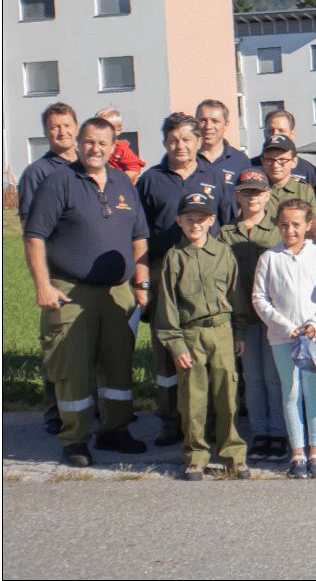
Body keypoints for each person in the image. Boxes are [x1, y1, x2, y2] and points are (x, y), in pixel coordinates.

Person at [23, 117, 149, 467]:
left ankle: (115, 430)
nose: (96, 149)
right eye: (89, 142)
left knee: (117, 366)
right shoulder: (59, 181)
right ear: (79, 144)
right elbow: (34, 236)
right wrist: (42, 285)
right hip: (70, 291)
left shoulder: (123, 181)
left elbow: (139, 236)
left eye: (103, 143)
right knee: (72, 367)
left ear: (113, 147)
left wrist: (141, 283)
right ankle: (75, 439)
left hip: (118, 292)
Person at [136, 112, 234, 446]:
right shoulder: (151, 179)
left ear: (197, 141)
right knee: (168, 349)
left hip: (207, 270)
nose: (180, 145)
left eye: (187, 139)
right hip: (165, 268)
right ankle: (169, 420)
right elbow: (138, 232)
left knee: (207, 349)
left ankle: (207, 422)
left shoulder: (213, 175)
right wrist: (143, 277)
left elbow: (227, 221)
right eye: (174, 140)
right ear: (165, 143)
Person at [155, 191, 250, 480]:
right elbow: (167, 305)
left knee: (227, 395)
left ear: (211, 221)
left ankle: (232, 454)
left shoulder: (223, 253)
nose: (195, 225)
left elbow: (237, 295)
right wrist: (175, 344)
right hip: (190, 334)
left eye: (201, 219)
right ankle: (195, 456)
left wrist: (240, 331)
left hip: (221, 331)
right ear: (178, 221)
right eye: (189, 219)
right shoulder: (174, 258)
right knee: (193, 398)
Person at [252, 199, 316, 479]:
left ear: (308, 225)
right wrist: (285, 325)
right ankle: (297, 452)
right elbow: (260, 298)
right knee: (290, 392)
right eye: (284, 224)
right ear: (277, 224)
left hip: (314, 336)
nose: (290, 230)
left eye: (296, 225)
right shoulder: (270, 258)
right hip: (283, 337)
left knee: (313, 392)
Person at [219, 169, 290, 463]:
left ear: (268, 195)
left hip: (272, 317)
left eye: (257, 192)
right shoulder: (225, 233)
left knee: (275, 377)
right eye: (246, 192)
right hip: (243, 319)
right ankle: (260, 432)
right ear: (237, 195)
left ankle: (279, 432)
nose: (252, 198)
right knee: (253, 377)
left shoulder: (276, 231)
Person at [18, 103, 80, 435]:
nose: (62, 132)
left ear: (77, 126)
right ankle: (54, 410)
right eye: (54, 127)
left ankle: (88, 406)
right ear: (46, 132)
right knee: (57, 346)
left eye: (67, 125)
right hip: (58, 272)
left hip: (89, 272)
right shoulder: (37, 173)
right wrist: (42, 280)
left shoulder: (89, 165)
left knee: (89, 346)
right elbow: (30, 230)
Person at [251, 109, 316, 195]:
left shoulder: (309, 171)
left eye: (281, 131)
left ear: (293, 134)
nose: (275, 135)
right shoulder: (250, 167)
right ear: (264, 133)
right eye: (270, 131)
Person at [259, 134, 316, 222]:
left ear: (294, 161)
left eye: (282, 160)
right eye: (270, 160)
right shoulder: (256, 191)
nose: (275, 165)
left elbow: (313, 228)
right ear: (262, 161)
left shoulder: (304, 191)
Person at [195, 99, 252, 187]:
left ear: (226, 125)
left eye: (215, 121)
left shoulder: (240, 160)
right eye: (203, 120)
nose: (208, 126)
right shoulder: (186, 158)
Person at [96, 108, 144, 180]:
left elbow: (135, 169)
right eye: (98, 127)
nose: (102, 131)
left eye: (107, 128)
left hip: (118, 185)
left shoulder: (120, 149)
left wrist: (118, 180)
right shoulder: (95, 147)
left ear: (118, 130)